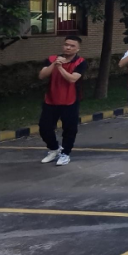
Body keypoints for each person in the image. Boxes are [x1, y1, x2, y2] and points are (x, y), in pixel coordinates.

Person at [37, 36, 86, 166]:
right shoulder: (51, 59)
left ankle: (65, 153)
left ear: (77, 48)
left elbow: (72, 79)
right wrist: (55, 64)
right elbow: (42, 75)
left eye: (72, 46)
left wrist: (60, 68)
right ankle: (54, 148)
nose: (68, 48)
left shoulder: (80, 62)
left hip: (70, 100)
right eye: (66, 45)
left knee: (69, 129)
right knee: (44, 128)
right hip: (51, 99)